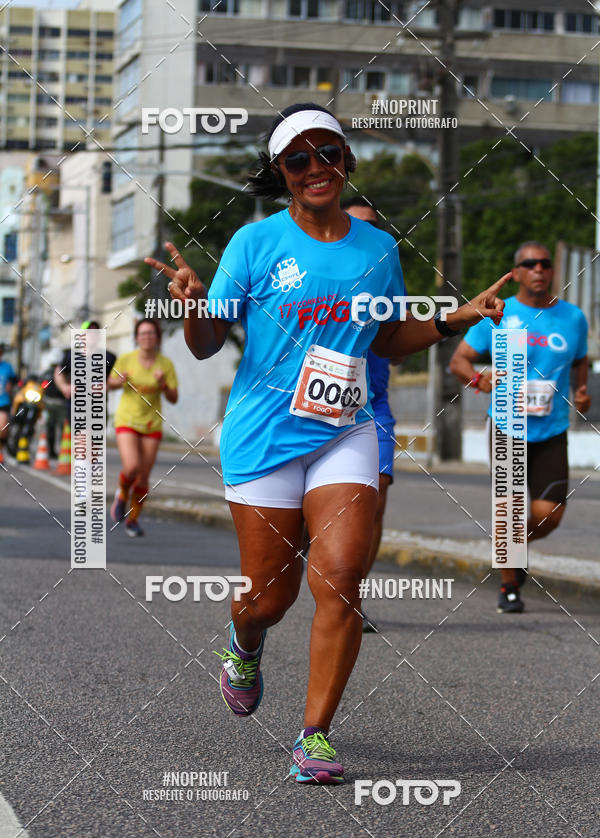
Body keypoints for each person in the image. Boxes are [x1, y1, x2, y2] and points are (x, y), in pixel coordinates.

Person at [145, 102, 509, 784]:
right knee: (269, 599)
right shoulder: (255, 245)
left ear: (347, 159)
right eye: (299, 159)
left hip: (346, 429)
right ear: (281, 173)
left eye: (328, 153)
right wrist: (195, 305)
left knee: (341, 579)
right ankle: (243, 643)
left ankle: (314, 736)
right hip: (264, 437)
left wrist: (454, 318)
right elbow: (203, 346)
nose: (316, 168)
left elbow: (385, 336)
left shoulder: (377, 250)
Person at [450, 241, 591, 613]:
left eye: (545, 264)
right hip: (507, 425)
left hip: (551, 428)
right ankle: (509, 586)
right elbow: (460, 362)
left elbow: (580, 359)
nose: (540, 270)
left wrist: (581, 389)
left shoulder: (573, 317)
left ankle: (513, 548)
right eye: (531, 264)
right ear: (517, 271)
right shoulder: (501, 312)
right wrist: (479, 381)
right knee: (510, 510)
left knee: (549, 514)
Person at [341, 197, 399, 633]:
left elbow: (403, 332)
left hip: (371, 407)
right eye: (358, 225)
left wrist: (451, 319)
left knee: (374, 501)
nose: (370, 234)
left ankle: (352, 598)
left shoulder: (385, 274)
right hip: (315, 407)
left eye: (376, 226)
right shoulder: (320, 273)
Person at [107, 318, 178, 537]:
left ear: (157, 338)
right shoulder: (126, 360)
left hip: (152, 423)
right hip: (127, 420)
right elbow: (108, 385)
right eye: (143, 333)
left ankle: (133, 520)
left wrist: (163, 384)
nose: (147, 337)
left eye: (151, 333)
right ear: (137, 338)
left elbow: (174, 397)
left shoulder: (165, 365)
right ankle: (121, 495)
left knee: (144, 476)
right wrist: (119, 382)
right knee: (132, 467)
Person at [54, 320, 116, 430]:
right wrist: (64, 387)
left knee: (94, 445)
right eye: (89, 332)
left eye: (96, 332)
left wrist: (108, 386)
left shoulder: (109, 357)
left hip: (98, 408)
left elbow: (118, 379)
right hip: (77, 407)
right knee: (83, 440)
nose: (92, 334)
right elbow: (58, 373)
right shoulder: (70, 356)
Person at [0, 342, 16, 464]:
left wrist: (11, 384)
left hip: (3, 402)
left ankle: (1, 451)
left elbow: (16, 380)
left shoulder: (7, 367)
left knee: (3, 427)